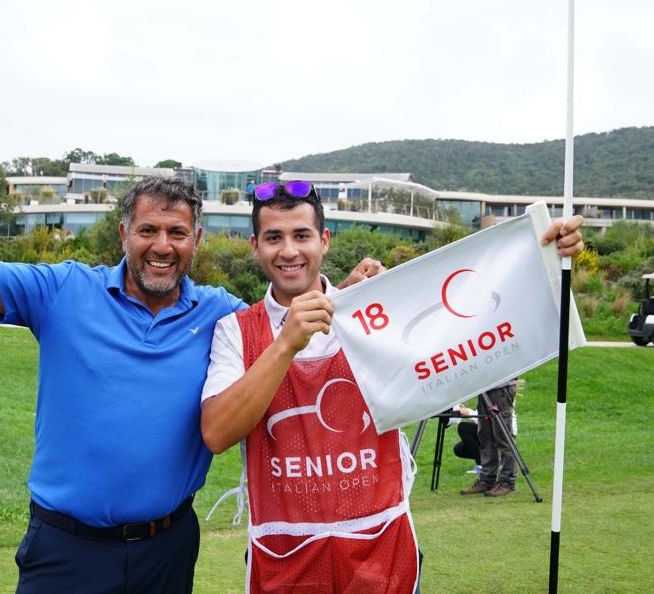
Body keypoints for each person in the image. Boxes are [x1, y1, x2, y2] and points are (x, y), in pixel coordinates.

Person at [0, 120, 382, 593]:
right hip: (67, 548)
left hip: (168, 547)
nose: (163, 245)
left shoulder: (221, 315)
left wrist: (351, 296)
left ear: (196, 240)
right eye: (148, 231)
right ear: (124, 236)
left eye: (177, 233)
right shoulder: (64, 290)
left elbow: (289, 318)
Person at [200, 182, 585, 591]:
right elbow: (217, 433)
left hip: (381, 554)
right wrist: (284, 345)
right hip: (285, 560)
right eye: (274, 238)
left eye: (301, 235)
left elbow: (480, 316)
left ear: (324, 241)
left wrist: (546, 256)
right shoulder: (236, 332)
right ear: (254, 246)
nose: (289, 250)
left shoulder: (377, 309)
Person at [461, 378, 521, 497]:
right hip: (484, 386)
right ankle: (486, 480)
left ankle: (507, 482)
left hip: (500, 385)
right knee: (485, 437)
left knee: (503, 437)